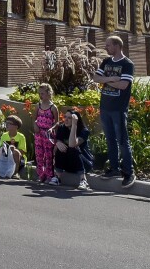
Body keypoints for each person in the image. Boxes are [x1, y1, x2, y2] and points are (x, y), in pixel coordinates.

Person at [92, 34, 135, 186]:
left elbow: (124, 85)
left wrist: (107, 80)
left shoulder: (127, 64)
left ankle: (128, 172)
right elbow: (95, 78)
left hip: (118, 108)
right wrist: (112, 79)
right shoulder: (106, 62)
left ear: (117, 46)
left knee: (122, 141)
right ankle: (114, 168)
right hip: (105, 107)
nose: (106, 47)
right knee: (110, 139)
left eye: (108, 45)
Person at [52, 108, 91, 189]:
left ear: (76, 120)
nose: (66, 120)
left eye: (69, 118)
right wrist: (58, 142)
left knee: (73, 148)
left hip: (84, 164)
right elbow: (55, 148)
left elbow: (72, 144)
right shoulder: (62, 128)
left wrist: (74, 126)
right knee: (61, 147)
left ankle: (83, 180)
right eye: (65, 117)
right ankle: (57, 178)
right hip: (68, 165)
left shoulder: (84, 131)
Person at [33, 82, 60, 185]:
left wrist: (52, 128)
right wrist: (35, 125)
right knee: (39, 155)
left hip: (48, 134)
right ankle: (41, 174)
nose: (40, 95)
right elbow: (34, 118)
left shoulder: (53, 107)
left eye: (42, 93)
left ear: (49, 93)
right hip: (39, 133)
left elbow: (57, 122)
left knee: (48, 155)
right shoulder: (38, 105)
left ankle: (49, 175)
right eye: (39, 93)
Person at [0, 114, 28, 178]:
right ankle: (0, 169)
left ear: (16, 126)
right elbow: (0, 147)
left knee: (16, 152)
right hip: (7, 157)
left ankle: (15, 172)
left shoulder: (21, 137)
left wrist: (12, 150)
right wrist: (3, 149)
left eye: (9, 123)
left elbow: (22, 151)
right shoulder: (4, 135)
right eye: (6, 123)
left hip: (18, 159)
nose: (7, 124)